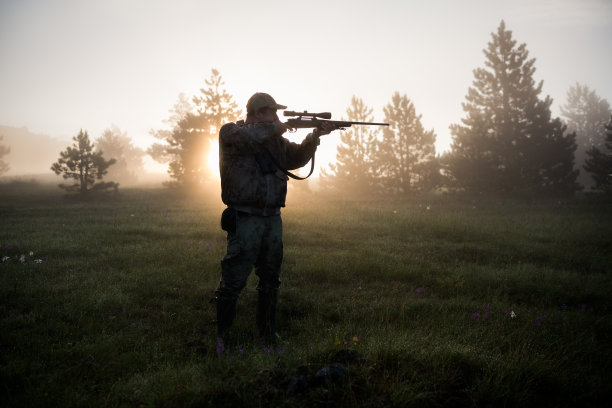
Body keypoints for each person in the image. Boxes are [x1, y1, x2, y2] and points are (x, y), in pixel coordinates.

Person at [213, 92, 336, 346]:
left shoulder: (275, 141)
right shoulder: (231, 133)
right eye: (272, 113)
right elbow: (253, 135)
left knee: (271, 279)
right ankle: (222, 336)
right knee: (234, 279)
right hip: (245, 217)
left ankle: (267, 333)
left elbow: (297, 158)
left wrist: (314, 136)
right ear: (258, 113)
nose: (277, 117)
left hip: (272, 218)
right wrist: (277, 128)